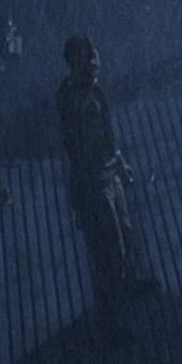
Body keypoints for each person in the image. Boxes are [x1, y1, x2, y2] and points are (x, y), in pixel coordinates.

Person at [57, 34, 155, 335]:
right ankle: (115, 318)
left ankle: (131, 283)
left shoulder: (94, 91)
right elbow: (76, 147)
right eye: (88, 59)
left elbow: (106, 132)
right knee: (109, 249)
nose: (95, 64)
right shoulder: (71, 98)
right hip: (94, 182)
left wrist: (119, 162)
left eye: (94, 58)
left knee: (125, 231)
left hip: (108, 173)